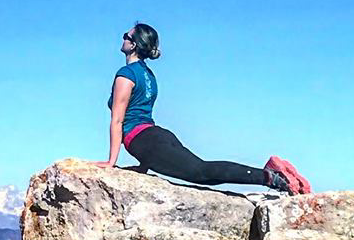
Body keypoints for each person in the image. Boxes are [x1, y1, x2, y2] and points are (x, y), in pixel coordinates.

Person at [104, 22, 311, 193]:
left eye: (126, 35)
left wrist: (111, 163)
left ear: (133, 45)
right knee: (202, 172)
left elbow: (118, 121)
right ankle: (271, 176)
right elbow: (142, 115)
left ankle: (270, 177)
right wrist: (144, 165)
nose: (122, 38)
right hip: (158, 136)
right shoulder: (149, 76)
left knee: (201, 172)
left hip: (143, 140)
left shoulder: (126, 74)